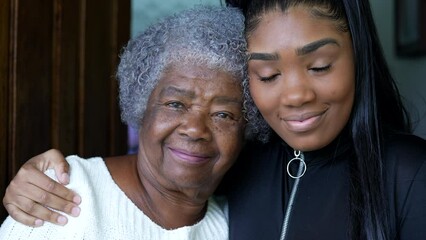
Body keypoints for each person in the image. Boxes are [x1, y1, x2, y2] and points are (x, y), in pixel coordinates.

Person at [4, 0, 426, 239]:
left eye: (319, 66)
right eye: (268, 75)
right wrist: (36, 179)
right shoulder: (68, 201)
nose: (296, 94)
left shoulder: (409, 173)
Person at [0, 5, 248, 239]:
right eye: (175, 104)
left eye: (223, 115)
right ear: (142, 105)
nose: (195, 129)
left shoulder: (237, 223)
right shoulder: (61, 195)